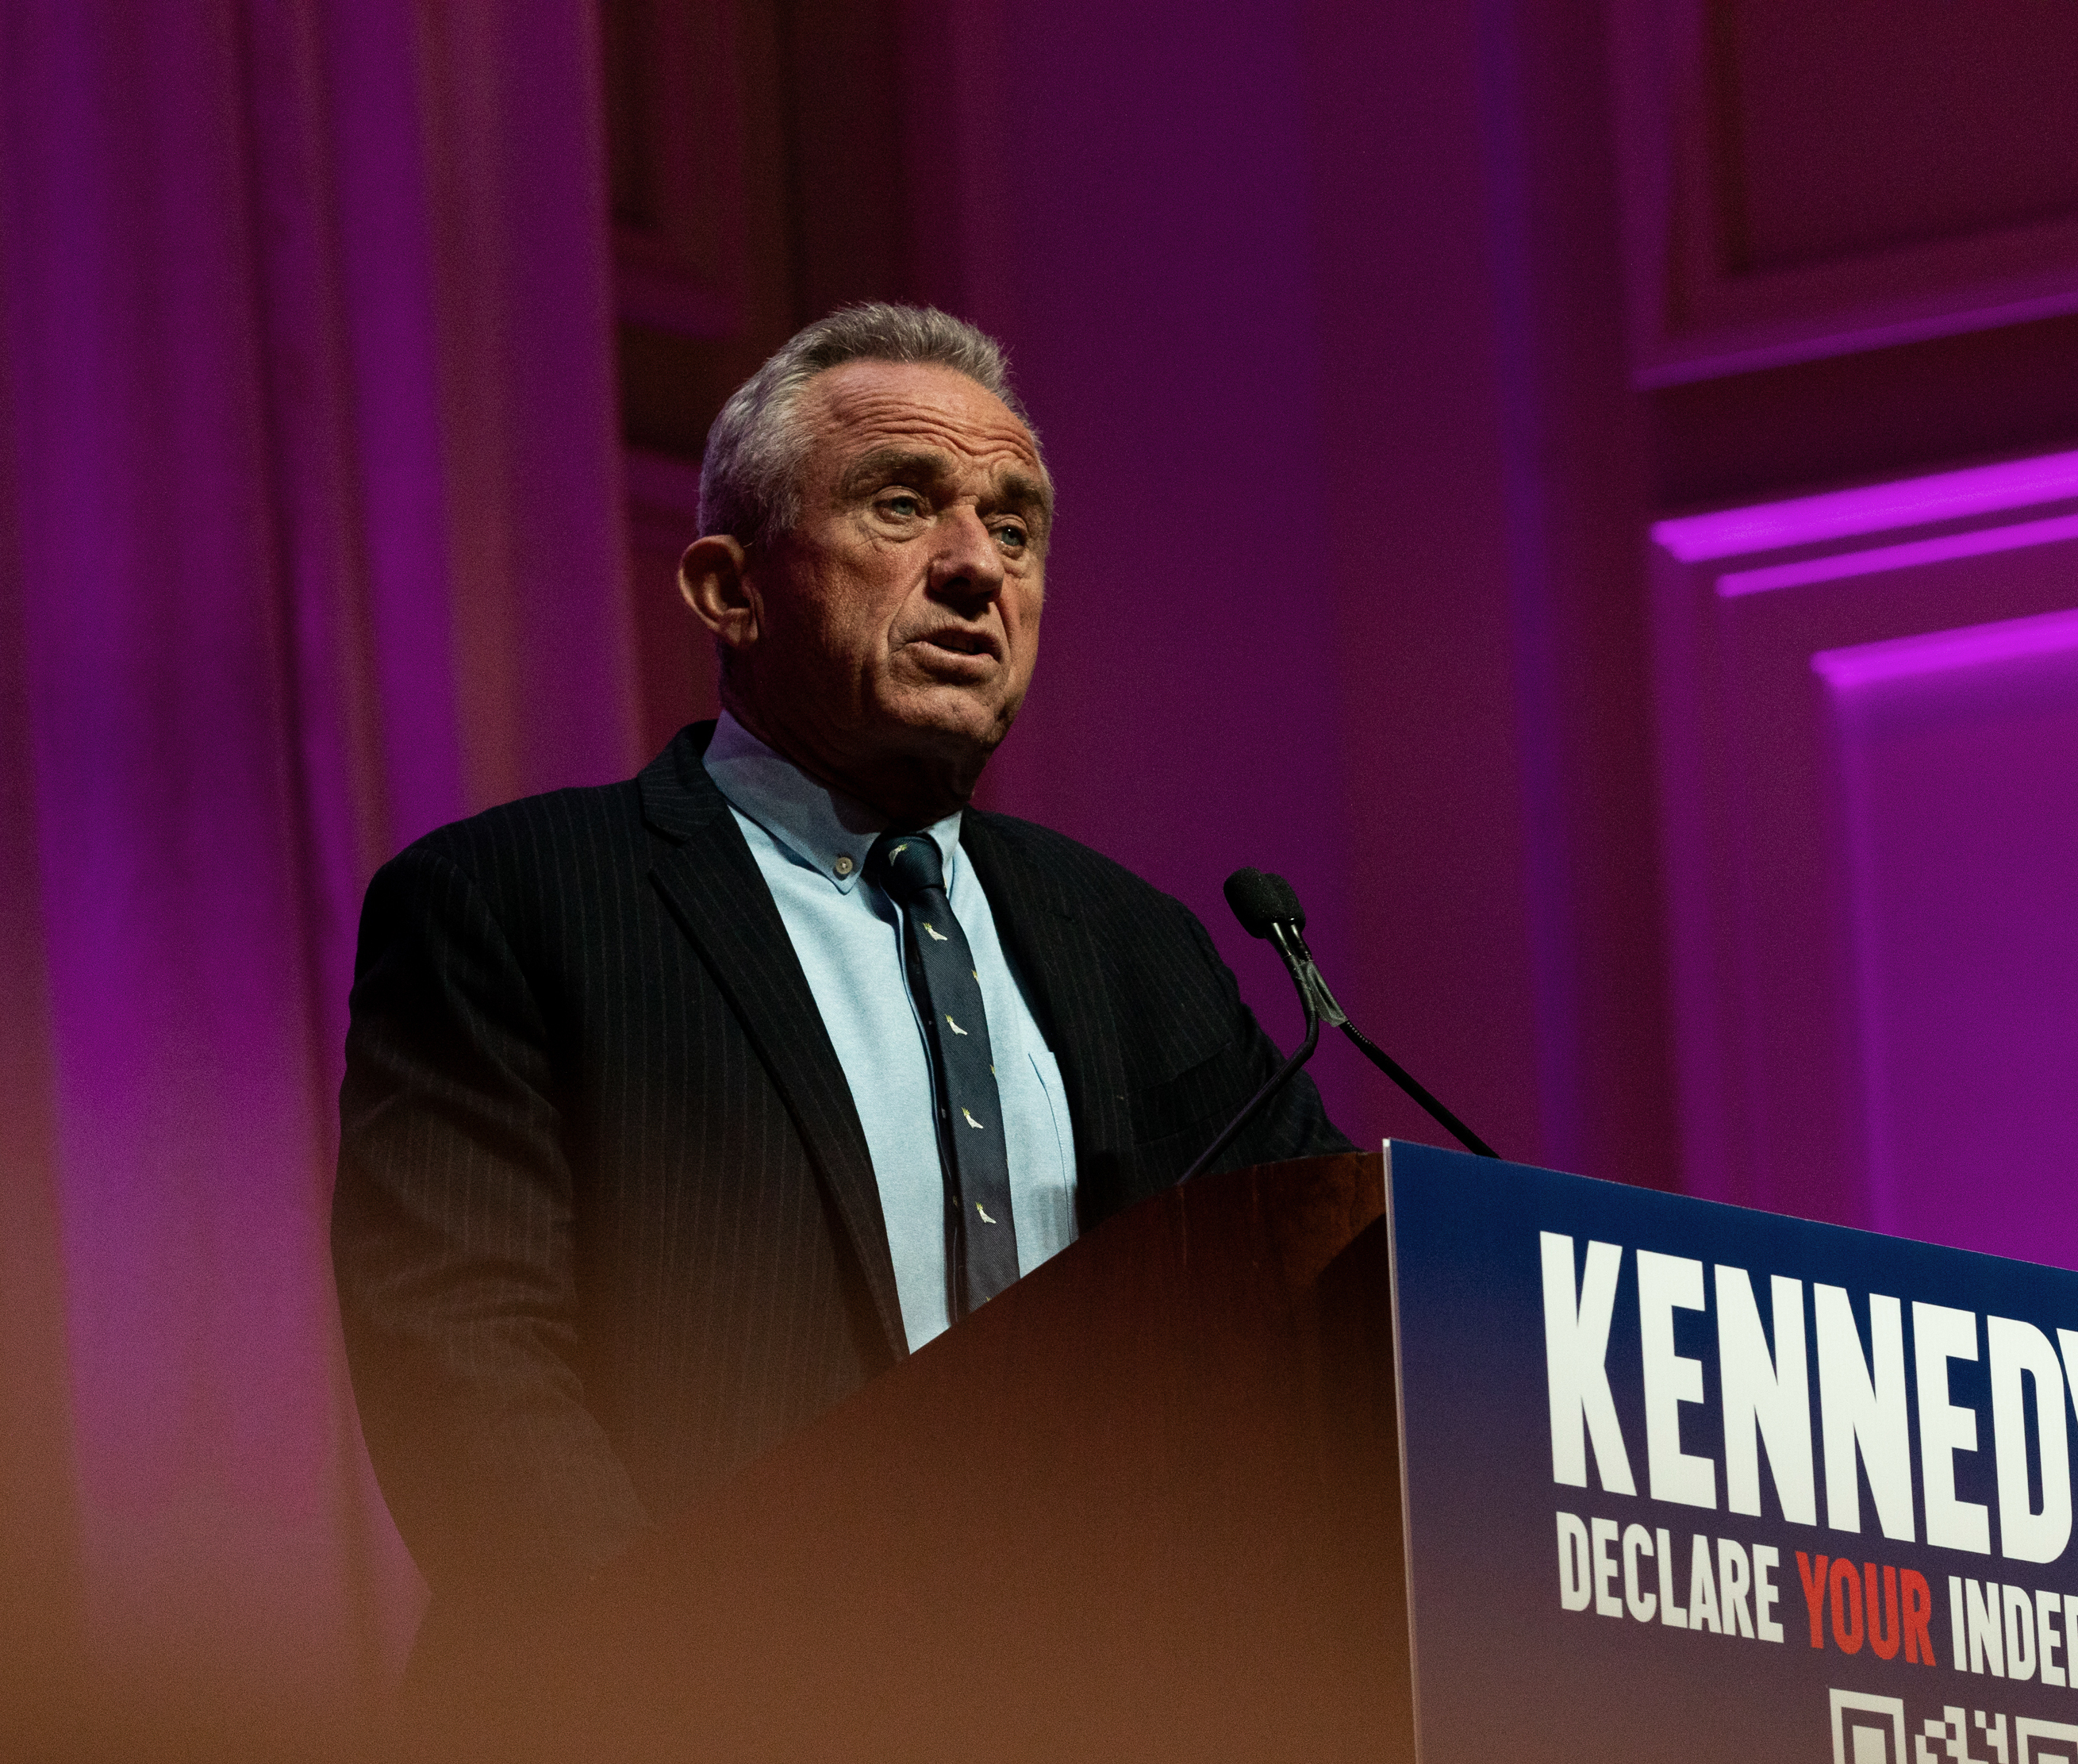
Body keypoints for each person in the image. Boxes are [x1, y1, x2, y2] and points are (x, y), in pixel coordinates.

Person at [331, 303, 1349, 1659]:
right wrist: (681, 1704)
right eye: (901, 505)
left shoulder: (1135, 945)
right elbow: (463, 1355)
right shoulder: (516, 903)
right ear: (728, 588)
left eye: (1015, 524)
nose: (977, 566)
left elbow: (1326, 1304)